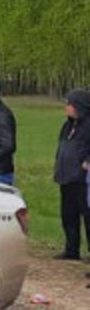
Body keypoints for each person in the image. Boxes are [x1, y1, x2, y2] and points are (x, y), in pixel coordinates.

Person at [52, 89, 90, 260]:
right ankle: (71, 249)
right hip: (66, 176)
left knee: (87, 216)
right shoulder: (67, 125)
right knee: (68, 215)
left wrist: (87, 162)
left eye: (69, 104)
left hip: (83, 179)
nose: (66, 107)